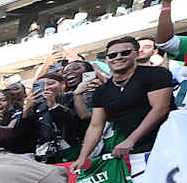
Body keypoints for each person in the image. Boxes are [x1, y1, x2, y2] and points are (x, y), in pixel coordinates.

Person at [70, 36, 175, 172]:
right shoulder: (102, 91)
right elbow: (96, 126)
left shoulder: (157, 74)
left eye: (125, 53)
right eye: (112, 55)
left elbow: (160, 109)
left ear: (136, 54)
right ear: (107, 59)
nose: (118, 57)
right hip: (137, 153)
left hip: (170, 143)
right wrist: (82, 157)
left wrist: (130, 140)